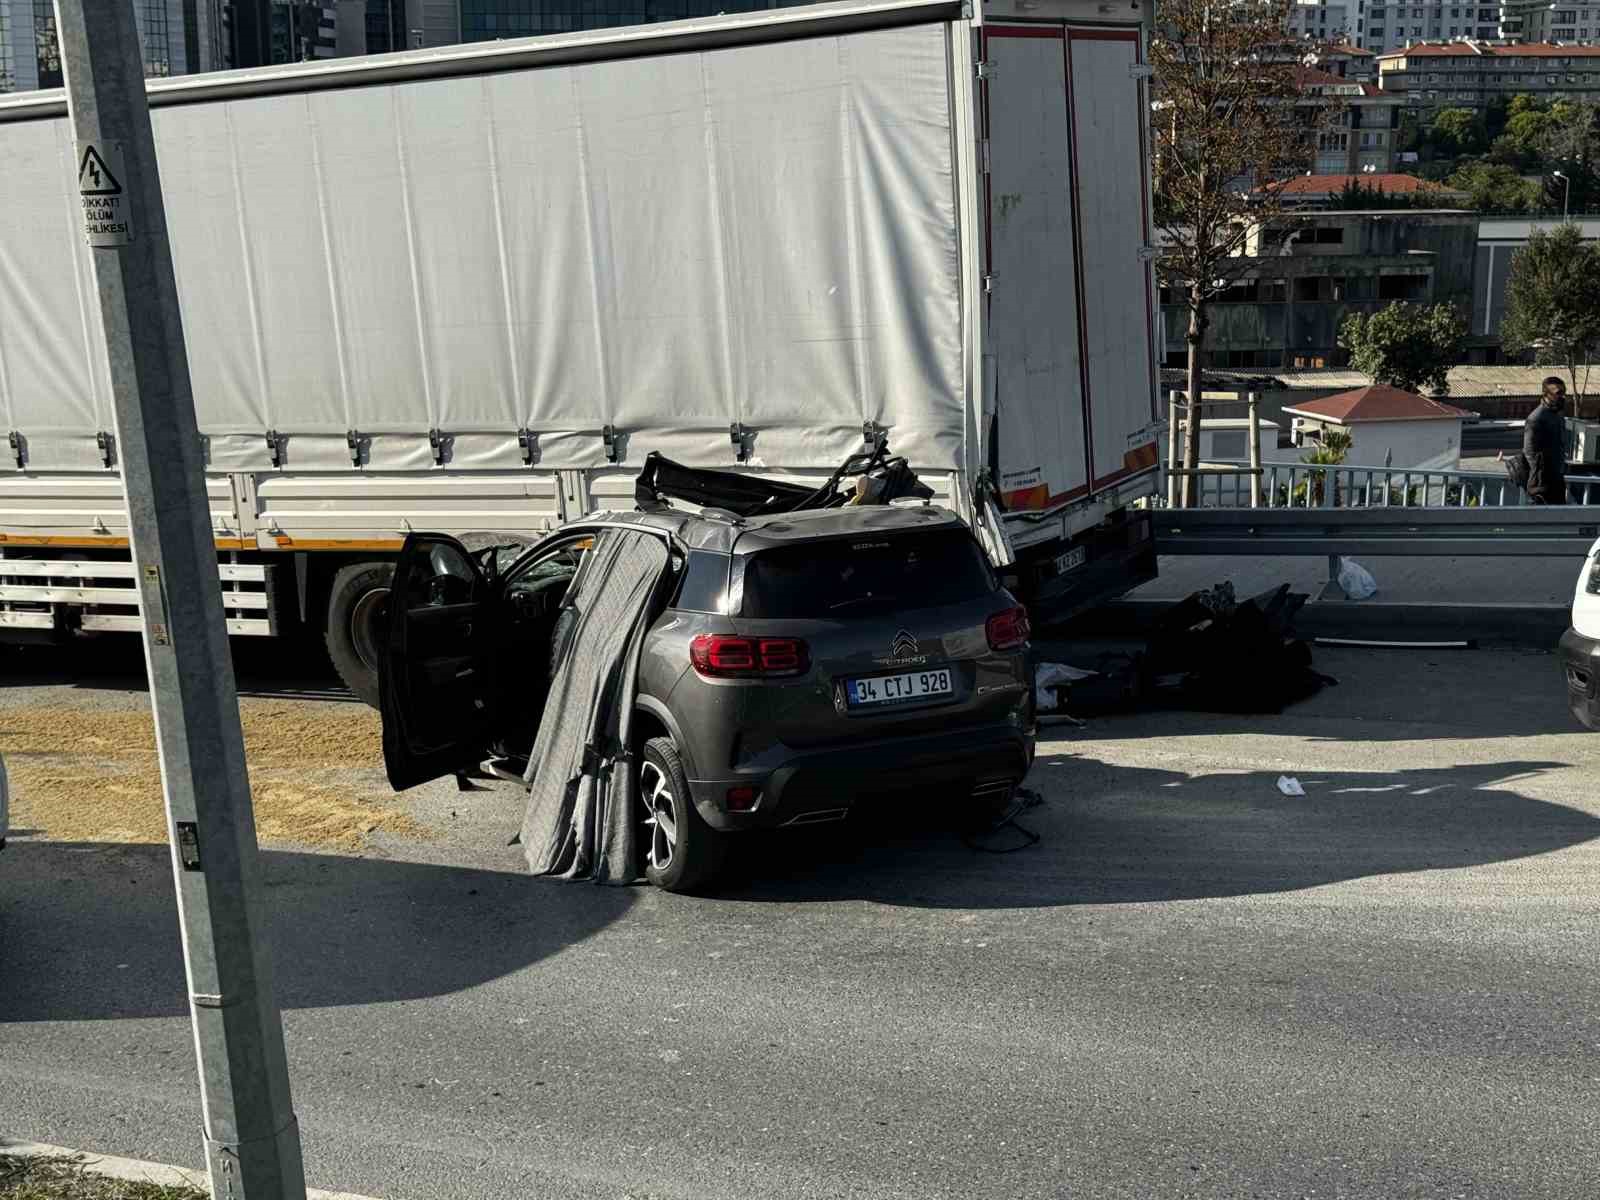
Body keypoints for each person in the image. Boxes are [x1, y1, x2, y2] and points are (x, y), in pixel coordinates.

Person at [1502, 377, 1569, 505]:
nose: (1563, 397)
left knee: (1559, 520)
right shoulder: (1536, 418)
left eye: (1564, 392)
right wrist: (1540, 474)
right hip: (1541, 485)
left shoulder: (1558, 415)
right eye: (1558, 393)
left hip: (1557, 479)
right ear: (1546, 394)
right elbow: (1529, 451)